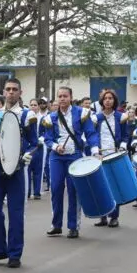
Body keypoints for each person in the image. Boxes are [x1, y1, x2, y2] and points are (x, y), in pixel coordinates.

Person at [0, 78, 36, 268]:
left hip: (17, 171)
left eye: (15, 89)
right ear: (3, 92)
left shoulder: (26, 115)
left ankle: (15, 254)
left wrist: (27, 154)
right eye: (8, 89)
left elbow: (34, 142)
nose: (11, 92)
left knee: (16, 213)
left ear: (20, 93)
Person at [42, 86, 98, 239]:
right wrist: (55, 146)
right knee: (55, 188)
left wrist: (95, 150)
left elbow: (91, 134)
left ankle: (73, 226)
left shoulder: (82, 113)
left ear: (71, 97)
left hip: (75, 155)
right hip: (56, 157)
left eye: (65, 96)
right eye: (59, 96)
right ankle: (56, 225)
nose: (62, 99)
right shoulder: (50, 118)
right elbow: (48, 138)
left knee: (73, 190)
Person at [92, 89, 129, 227]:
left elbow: (126, 135)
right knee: (100, 186)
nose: (108, 100)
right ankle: (102, 216)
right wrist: (95, 151)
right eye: (105, 98)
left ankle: (114, 216)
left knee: (114, 186)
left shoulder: (121, 117)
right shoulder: (96, 118)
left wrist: (123, 146)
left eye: (110, 98)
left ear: (114, 101)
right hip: (99, 156)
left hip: (115, 155)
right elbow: (92, 136)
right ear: (102, 101)